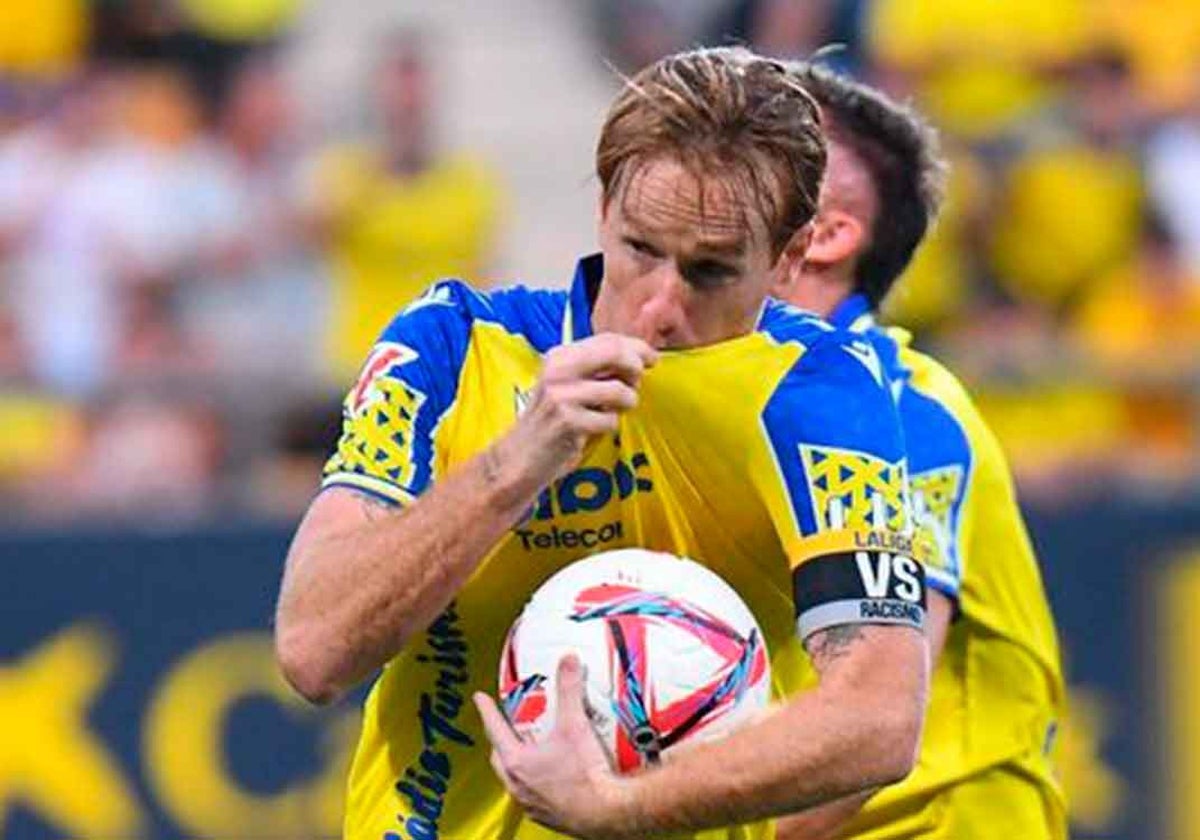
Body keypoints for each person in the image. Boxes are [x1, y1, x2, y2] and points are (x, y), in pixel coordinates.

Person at [276, 47, 932, 840]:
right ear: (604, 208)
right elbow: (313, 651)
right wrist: (510, 468)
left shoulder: (822, 391)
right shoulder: (451, 348)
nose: (660, 306)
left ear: (790, 256)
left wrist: (622, 807)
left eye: (711, 271)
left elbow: (880, 713)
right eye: (641, 249)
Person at [772, 62, 1067, 840]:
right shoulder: (744, 407)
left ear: (827, 234)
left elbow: (871, 724)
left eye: (769, 150)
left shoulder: (897, 415)